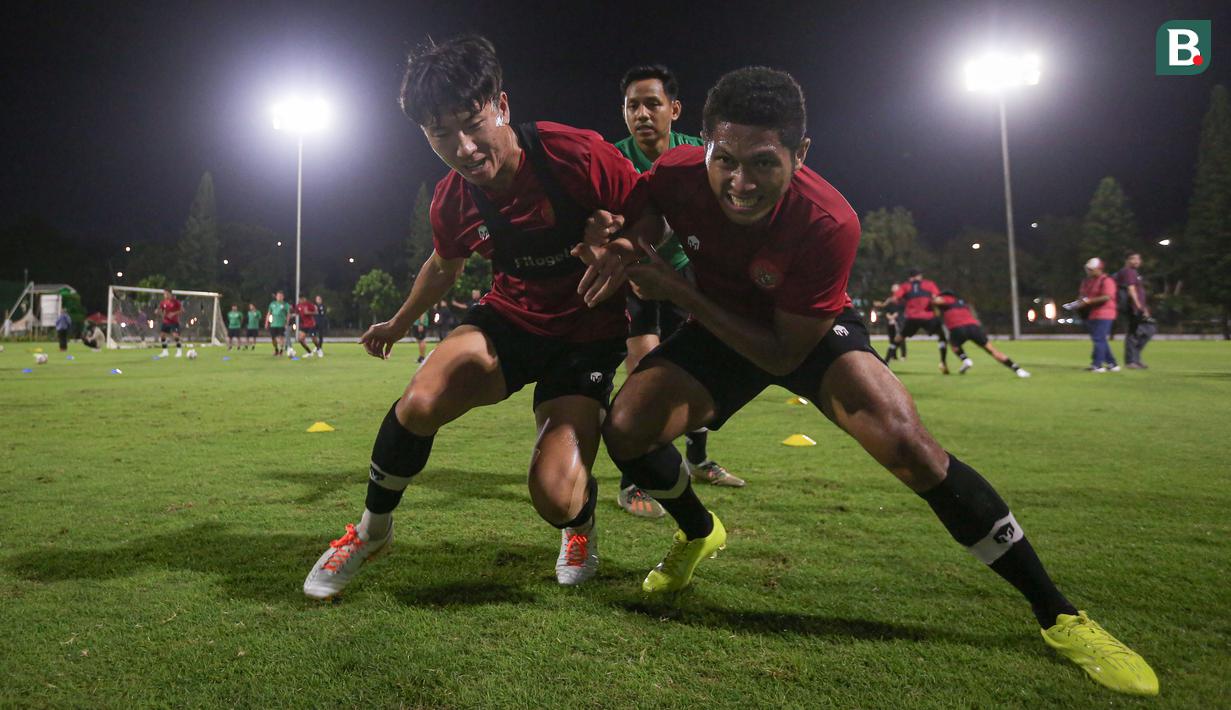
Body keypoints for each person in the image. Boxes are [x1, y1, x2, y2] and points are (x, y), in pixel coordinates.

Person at [576, 66, 1156, 696]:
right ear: (706, 145)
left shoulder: (830, 221)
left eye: (764, 163)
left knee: (911, 447)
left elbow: (780, 353)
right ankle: (699, 532)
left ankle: (1060, 615)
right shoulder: (677, 172)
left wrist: (679, 290)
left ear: (800, 154)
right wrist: (625, 246)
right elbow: (643, 219)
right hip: (721, 327)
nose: (739, 183)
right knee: (628, 429)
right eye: (725, 159)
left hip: (803, 331)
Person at [302, 35, 639, 599]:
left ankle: (579, 526)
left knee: (554, 495)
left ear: (502, 105)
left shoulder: (574, 154)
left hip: (587, 333)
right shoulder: (452, 200)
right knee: (420, 398)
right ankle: (371, 531)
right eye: (440, 133)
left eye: (472, 122)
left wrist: (621, 241)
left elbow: (651, 213)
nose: (463, 148)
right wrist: (397, 324)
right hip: (510, 321)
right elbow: (443, 265)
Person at [611, 64, 745, 519]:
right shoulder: (613, 159)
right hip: (639, 277)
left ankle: (699, 460)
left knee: (699, 366)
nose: (642, 114)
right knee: (645, 369)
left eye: (652, 103)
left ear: (675, 108)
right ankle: (634, 479)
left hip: (690, 273)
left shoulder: (700, 153)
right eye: (633, 105)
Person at [933, 291, 1030, 377]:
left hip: (957, 328)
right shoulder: (962, 303)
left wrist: (930, 298)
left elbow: (936, 301)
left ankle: (966, 360)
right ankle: (1018, 370)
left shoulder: (948, 299)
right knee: (992, 351)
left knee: (954, 346)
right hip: (974, 327)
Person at [883, 269, 948, 373]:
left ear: (910, 278)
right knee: (942, 335)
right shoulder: (929, 284)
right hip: (928, 317)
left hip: (912, 318)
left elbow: (895, 298)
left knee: (899, 338)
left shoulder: (905, 286)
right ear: (920, 276)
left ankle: (886, 362)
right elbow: (937, 298)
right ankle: (943, 362)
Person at [1066, 258, 1119, 372]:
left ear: (1099, 269)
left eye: (1091, 269)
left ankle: (1097, 365)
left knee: (1098, 339)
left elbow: (1107, 296)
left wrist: (1088, 301)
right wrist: (1076, 304)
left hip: (1105, 313)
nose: (1088, 271)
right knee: (1100, 339)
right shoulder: (1087, 281)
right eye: (1087, 269)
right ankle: (1112, 364)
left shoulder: (1107, 280)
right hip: (1090, 314)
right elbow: (1082, 296)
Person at [1114, 252, 1153, 369]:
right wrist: (1139, 308)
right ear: (1127, 260)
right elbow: (1131, 290)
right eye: (1133, 259)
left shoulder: (1134, 272)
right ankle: (1131, 361)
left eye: (1138, 259)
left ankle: (1134, 359)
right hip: (1133, 308)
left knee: (1147, 331)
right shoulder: (1128, 272)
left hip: (1137, 307)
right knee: (1135, 333)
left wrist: (1143, 307)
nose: (1136, 261)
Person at [156, 288, 183, 358]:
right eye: (164, 294)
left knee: (175, 336)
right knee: (162, 335)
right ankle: (165, 352)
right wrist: (158, 312)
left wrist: (173, 313)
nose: (165, 295)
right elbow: (161, 311)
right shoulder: (163, 302)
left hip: (174, 322)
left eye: (166, 293)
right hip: (166, 322)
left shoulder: (176, 302)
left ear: (170, 294)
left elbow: (182, 310)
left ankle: (179, 351)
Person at [267, 291, 290, 356]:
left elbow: (288, 314)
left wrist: (286, 323)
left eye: (281, 296)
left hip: (281, 324)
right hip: (273, 324)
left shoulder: (286, 304)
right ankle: (276, 349)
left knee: (281, 338)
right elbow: (269, 313)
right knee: (273, 338)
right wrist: (267, 322)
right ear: (276, 297)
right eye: (278, 296)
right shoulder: (272, 304)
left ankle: (281, 351)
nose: (279, 297)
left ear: (283, 297)